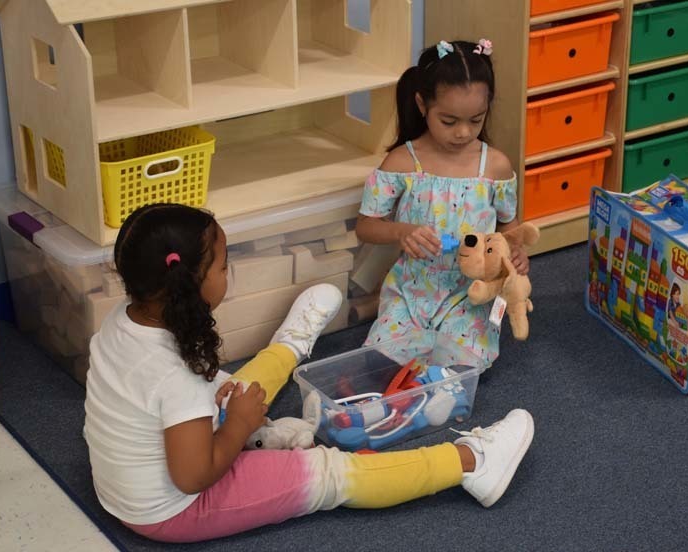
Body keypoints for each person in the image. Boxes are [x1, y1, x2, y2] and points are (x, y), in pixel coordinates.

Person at [83, 203, 535, 543]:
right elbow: (192, 477)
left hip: (125, 491)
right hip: (175, 508)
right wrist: (239, 424)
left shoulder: (124, 322)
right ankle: (472, 463)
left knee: (235, 389)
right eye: (223, 266)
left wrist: (233, 409)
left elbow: (168, 397)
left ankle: (290, 345)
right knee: (330, 473)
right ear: (188, 284)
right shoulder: (173, 374)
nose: (228, 273)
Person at [355, 39, 529, 367]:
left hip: (470, 292)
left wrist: (516, 252)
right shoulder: (401, 162)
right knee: (380, 361)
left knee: (465, 364)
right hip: (412, 290)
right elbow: (365, 227)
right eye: (449, 121)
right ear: (422, 105)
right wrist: (399, 232)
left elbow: (509, 225)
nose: (463, 132)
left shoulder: (495, 166)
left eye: (476, 120)